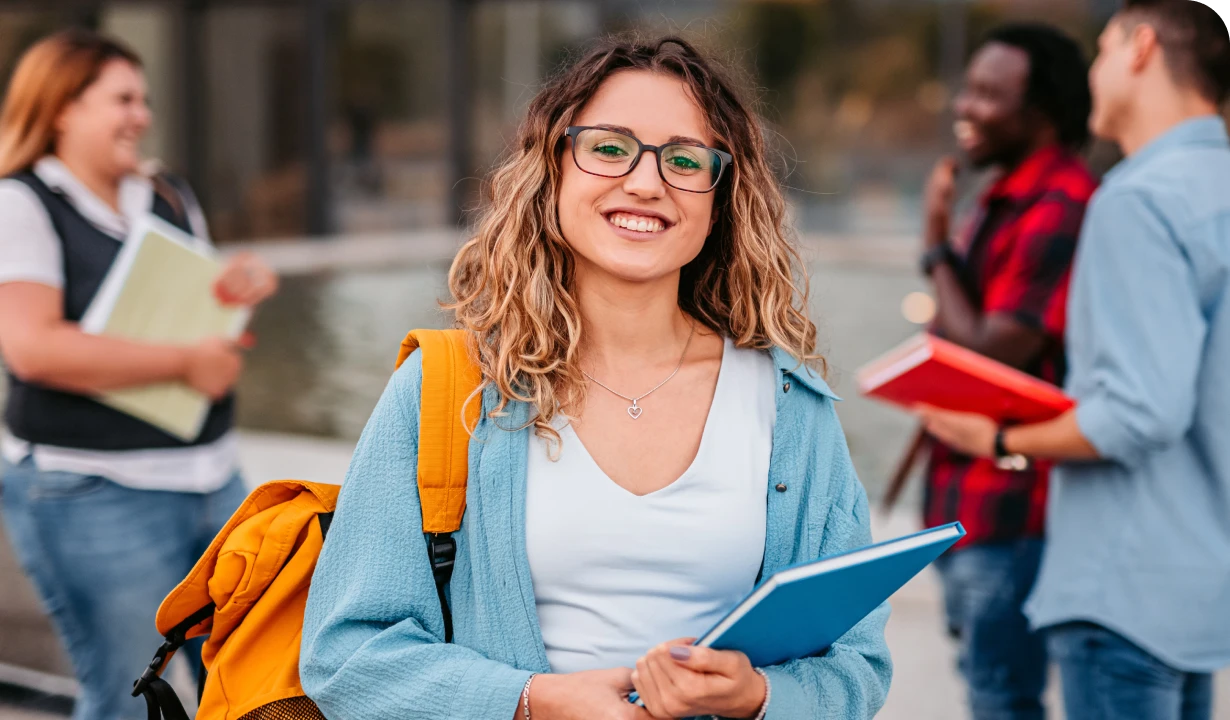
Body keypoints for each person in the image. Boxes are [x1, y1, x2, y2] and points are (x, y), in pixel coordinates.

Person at [301, 36, 891, 720]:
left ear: (721, 195)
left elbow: (857, 665)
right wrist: (529, 701)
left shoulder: (790, 408)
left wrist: (761, 696)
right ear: (553, 170)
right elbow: (346, 656)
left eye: (684, 159)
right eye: (609, 148)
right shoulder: (446, 389)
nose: (646, 183)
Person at [920, 2, 1230, 719]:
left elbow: (1137, 413)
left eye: (1101, 51)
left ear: (1141, 47)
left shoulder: (1137, 200)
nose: (1092, 73)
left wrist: (997, 440)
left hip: (1121, 588)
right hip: (1197, 588)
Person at [0, 30, 277, 720]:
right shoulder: (22, 204)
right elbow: (33, 349)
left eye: (145, 100)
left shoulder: (168, 195)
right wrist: (186, 362)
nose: (142, 115)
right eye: (123, 99)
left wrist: (235, 289)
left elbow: (198, 313)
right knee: (125, 700)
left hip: (213, 481)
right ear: (61, 108)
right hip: (94, 491)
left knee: (255, 691)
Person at [917, 23, 1097, 720]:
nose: (966, 105)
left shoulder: (1059, 206)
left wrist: (935, 250)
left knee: (1001, 698)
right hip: (972, 498)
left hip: (1012, 506)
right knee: (990, 689)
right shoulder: (1003, 201)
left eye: (990, 94)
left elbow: (991, 354)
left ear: (1041, 111)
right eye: (969, 87)